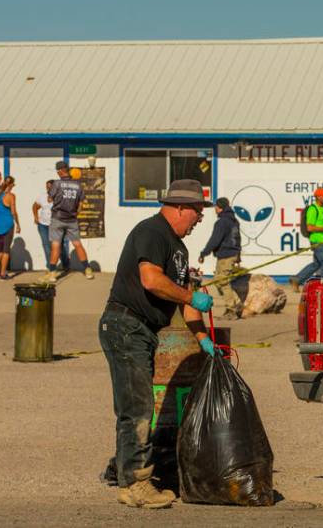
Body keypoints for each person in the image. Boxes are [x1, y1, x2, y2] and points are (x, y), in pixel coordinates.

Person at [98, 179, 216, 509]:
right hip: (126, 325)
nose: (199, 220)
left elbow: (185, 302)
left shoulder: (179, 248)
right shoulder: (152, 231)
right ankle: (136, 484)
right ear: (180, 207)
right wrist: (190, 295)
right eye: (197, 213)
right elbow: (152, 281)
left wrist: (203, 337)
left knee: (137, 405)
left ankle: (131, 475)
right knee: (137, 408)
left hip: (143, 331)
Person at [42, 161, 93, 282]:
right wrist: (76, 214)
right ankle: (87, 269)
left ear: (60, 171)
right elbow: (81, 204)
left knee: (56, 245)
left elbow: (50, 199)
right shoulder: (78, 184)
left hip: (57, 218)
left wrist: (51, 194)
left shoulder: (57, 183)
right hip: (72, 219)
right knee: (77, 244)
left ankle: (53, 273)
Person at [198, 197, 243, 319]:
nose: (215, 209)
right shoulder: (234, 221)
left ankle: (232, 309)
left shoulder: (222, 222)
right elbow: (237, 239)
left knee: (222, 281)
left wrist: (204, 253)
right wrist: (238, 254)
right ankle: (237, 303)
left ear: (220, 208)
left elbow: (215, 240)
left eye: (216, 207)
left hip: (226, 255)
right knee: (219, 281)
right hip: (231, 254)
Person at [290, 187, 323, 292]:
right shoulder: (312, 209)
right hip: (316, 240)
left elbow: (322, 224)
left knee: (317, 264)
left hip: (322, 240)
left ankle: (297, 279)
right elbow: (310, 227)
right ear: (318, 197)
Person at [33, 180, 70, 271]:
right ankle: (51, 268)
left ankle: (65, 263)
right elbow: (35, 206)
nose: (48, 189)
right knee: (46, 245)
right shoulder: (42, 197)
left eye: (50, 187)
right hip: (43, 225)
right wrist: (36, 217)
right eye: (47, 187)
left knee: (59, 246)